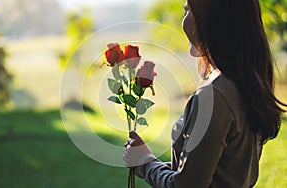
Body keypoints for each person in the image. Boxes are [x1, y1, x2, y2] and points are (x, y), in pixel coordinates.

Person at [123, 0, 287, 187]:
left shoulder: (213, 96)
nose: (183, 21)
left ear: (209, 19)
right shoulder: (245, 85)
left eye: (186, 11)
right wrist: (150, 163)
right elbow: (211, 172)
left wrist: (145, 163)